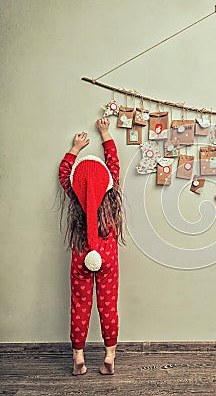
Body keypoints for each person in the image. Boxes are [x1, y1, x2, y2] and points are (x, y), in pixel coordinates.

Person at [58, 118, 125, 375]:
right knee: (108, 305)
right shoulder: (111, 196)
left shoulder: (74, 195)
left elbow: (64, 173)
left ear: (76, 185)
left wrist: (75, 148)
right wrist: (106, 133)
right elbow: (114, 166)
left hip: (81, 257)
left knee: (80, 305)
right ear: (107, 182)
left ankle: (78, 356)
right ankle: (109, 356)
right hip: (107, 258)